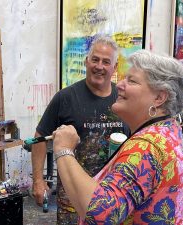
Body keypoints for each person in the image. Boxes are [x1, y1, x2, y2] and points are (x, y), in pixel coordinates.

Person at [52, 49, 183, 224]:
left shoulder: (147, 146)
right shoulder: (170, 132)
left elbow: (99, 213)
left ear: (159, 97)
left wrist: (64, 150)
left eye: (132, 81)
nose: (119, 84)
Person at [31, 35, 130, 224]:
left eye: (106, 62)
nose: (99, 66)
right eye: (95, 59)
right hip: (72, 196)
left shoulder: (124, 99)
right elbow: (40, 138)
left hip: (114, 194)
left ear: (115, 68)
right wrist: (38, 180)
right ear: (86, 61)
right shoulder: (65, 98)